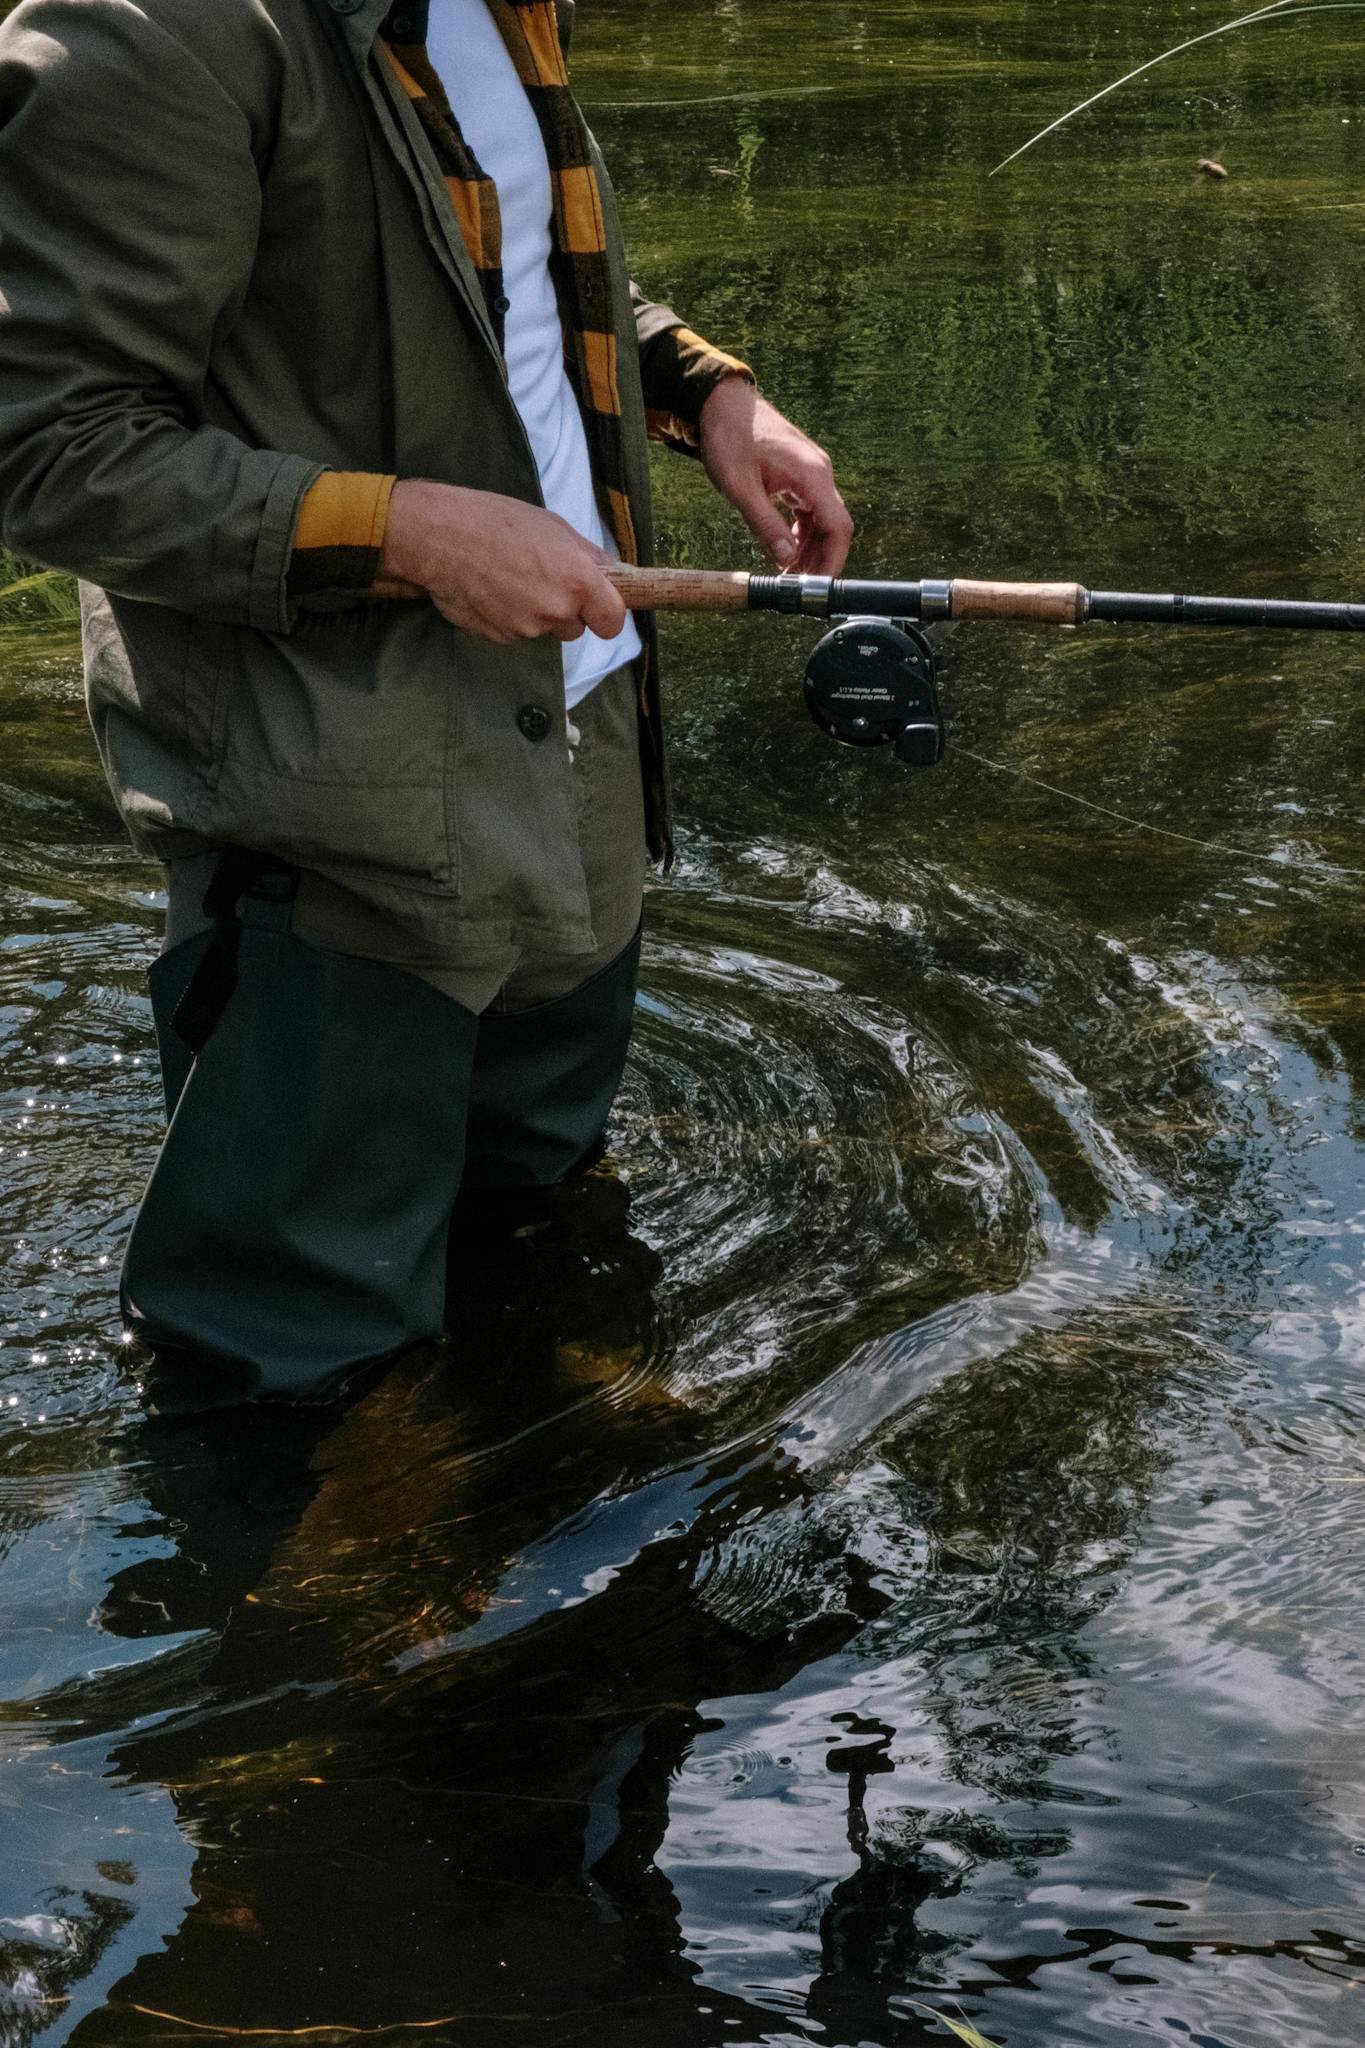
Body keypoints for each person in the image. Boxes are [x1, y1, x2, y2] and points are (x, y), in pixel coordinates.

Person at [0, 0, 853, 1409]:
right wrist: (407, 533)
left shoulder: (497, 13)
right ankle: (307, 1621)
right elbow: (48, 445)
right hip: (338, 822)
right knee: (286, 1365)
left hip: (578, 753)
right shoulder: (158, 32)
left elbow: (499, 275)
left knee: (534, 1237)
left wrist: (700, 390)